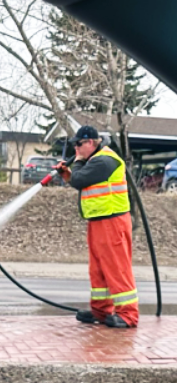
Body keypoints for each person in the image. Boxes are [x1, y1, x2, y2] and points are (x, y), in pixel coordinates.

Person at [54, 125, 138, 328]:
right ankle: (101, 310)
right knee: (98, 269)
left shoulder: (105, 160)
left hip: (113, 221)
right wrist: (68, 173)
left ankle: (128, 314)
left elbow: (81, 179)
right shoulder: (94, 160)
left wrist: (78, 164)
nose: (77, 149)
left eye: (79, 145)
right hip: (98, 220)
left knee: (117, 268)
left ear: (91, 142)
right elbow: (80, 180)